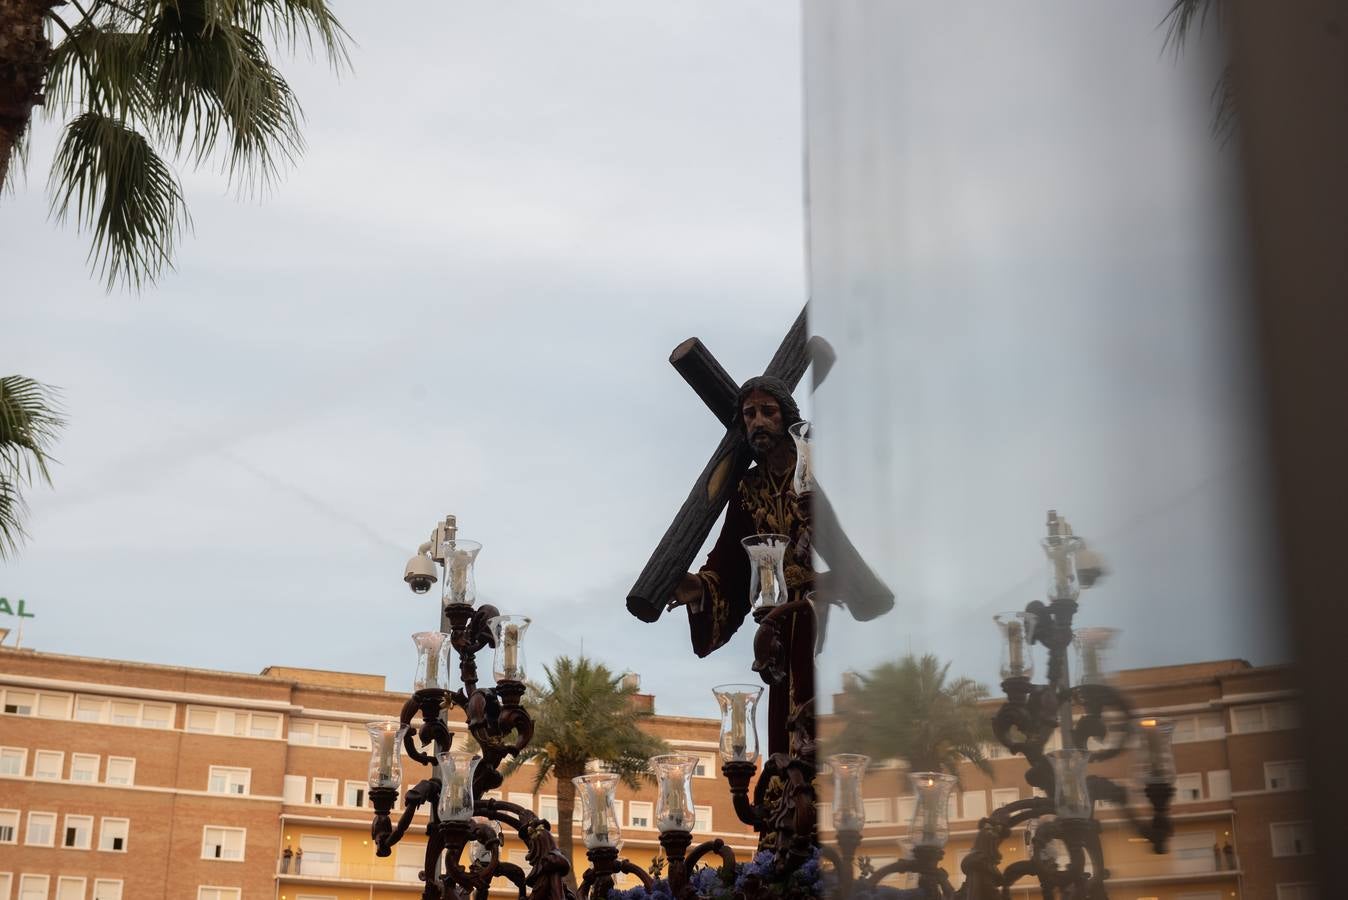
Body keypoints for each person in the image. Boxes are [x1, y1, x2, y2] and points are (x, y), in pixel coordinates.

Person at [667, 375, 814, 757]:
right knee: (788, 736)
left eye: (768, 411)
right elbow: (731, 562)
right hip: (780, 624)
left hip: (827, 617)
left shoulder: (816, 471)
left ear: (787, 417)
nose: (758, 421)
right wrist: (698, 588)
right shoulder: (748, 488)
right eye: (749, 414)